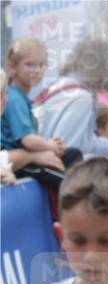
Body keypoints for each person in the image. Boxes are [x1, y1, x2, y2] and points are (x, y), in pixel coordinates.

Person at [2, 37, 79, 189]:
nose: (37, 70)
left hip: (24, 154)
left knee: (73, 155)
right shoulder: (14, 98)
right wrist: (50, 145)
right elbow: (28, 141)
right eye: (30, 64)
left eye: (41, 65)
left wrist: (51, 145)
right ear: (13, 67)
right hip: (15, 162)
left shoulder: (22, 97)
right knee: (70, 184)